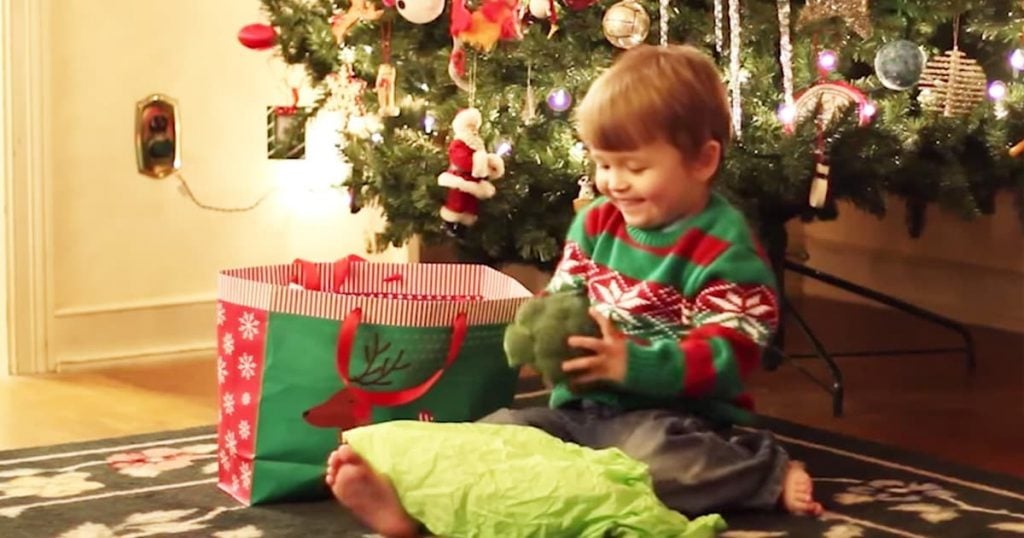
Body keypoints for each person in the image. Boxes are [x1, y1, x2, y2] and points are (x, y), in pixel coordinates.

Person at [326, 44, 824, 537]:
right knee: (496, 435)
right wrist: (538, 329)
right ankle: (409, 509)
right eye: (604, 165)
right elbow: (566, 295)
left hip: (672, 420)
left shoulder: (723, 247)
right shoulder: (598, 223)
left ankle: (764, 473)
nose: (615, 183)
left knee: (663, 463)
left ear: (701, 160)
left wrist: (631, 363)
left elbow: (730, 356)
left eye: (634, 167)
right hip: (577, 415)